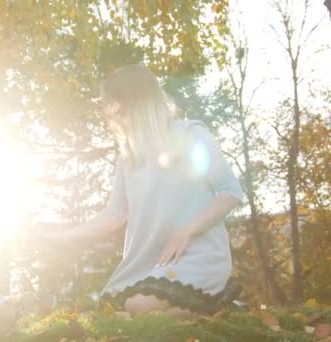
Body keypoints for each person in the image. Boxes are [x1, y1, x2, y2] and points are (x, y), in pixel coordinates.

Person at [45, 65, 244, 317]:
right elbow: (114, 216)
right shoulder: (128, 159)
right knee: (110, 312)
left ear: (132, 103)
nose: (110, 114)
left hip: (197, 257)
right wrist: (64, 237)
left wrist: (186, 231)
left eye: (113, 105)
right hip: (150, 263)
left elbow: (230, 192)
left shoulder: (190, 135)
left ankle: (219, 305)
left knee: (137, 307)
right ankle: (210, 311)